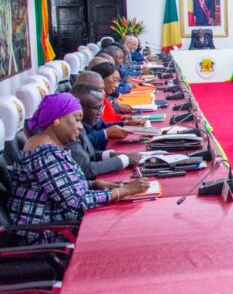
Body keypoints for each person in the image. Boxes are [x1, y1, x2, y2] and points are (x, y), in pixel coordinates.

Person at [8, 93, 149, 244]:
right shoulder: (46, 154)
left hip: (57, 226)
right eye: (76, 119)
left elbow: (59, 187)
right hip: (46, 236)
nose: (80, 126)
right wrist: (123, 191)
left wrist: (93, 184)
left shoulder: (49, 146)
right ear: (56, 120)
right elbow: (78, 202)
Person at [67, 83, 141, 178]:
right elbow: (86, 169)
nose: (100, 113)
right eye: (96, 108)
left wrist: (115, 155)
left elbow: (91, 154)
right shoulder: (71, 130)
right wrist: (124, 159)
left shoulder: (81, 123)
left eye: (101, 108)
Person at [75, 70, 132, 150]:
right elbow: (82, 145)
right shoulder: (75, 112)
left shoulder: (95, 104)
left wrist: (125, 123)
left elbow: (101, 125)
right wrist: (105, 133)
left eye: (102, 88)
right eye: (98, 89)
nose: (103, 92)